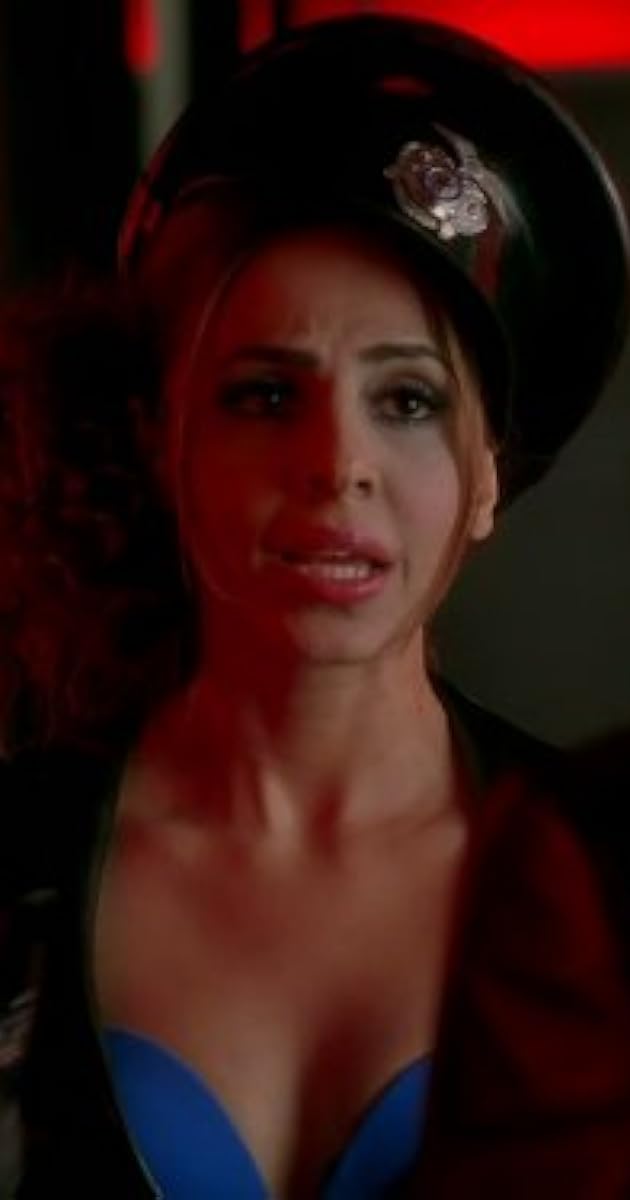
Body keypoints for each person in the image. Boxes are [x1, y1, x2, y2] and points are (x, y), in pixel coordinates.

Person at [1, 13, 629, 1199]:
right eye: (264, 394)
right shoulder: (18, 858)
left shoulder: (606, 891)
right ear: (159, 440)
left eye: (408, 401)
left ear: (488, 476)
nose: (338, 466)